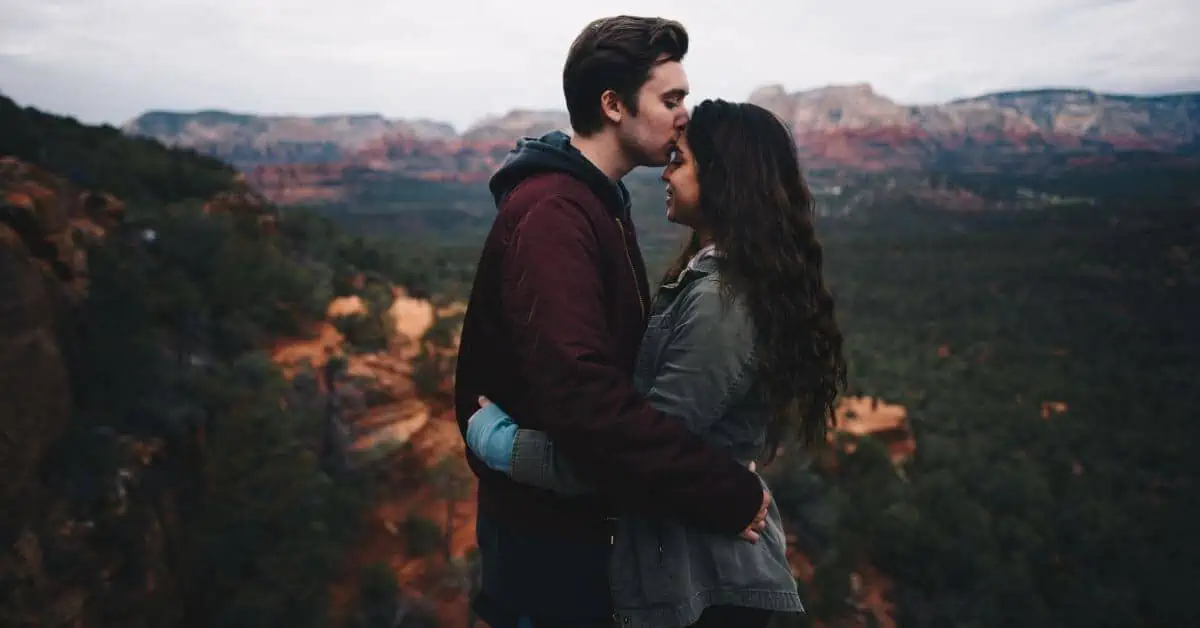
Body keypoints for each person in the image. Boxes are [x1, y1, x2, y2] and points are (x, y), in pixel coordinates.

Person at [466, 99, 849, 627]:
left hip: (707, 588)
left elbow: (637, 453)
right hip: (691, 573)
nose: (665, 173)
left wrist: (505, 445)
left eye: (680, 160)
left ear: (723, 180)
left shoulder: (722, 301)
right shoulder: (710, 279)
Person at [452, 16, 771, 628]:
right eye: (670, 98)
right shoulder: (553, 212)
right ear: (614, 105)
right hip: (548, 562)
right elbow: (585, 398)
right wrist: (724, 490)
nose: (685, 115)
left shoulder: (597, 201)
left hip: (582, 543)